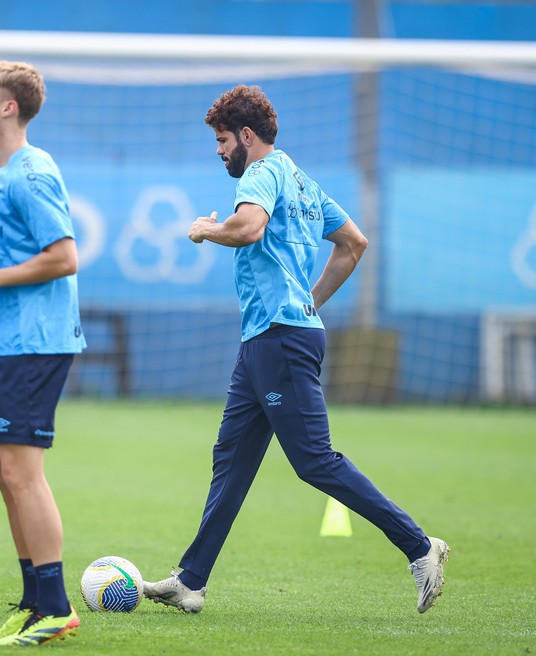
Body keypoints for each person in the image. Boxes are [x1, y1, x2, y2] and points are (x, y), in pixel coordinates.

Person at [142, 85, 450, 615]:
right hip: (269, 337)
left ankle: (420, 547)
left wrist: (206, 230)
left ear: (246, 136)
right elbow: (354, 243)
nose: (219, 151)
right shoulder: (300, 180)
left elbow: (247, 228)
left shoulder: (261, 174)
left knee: (314, 461)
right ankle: (190, 582)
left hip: (280, 340)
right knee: (231, 460)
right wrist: (311, 301)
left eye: (222, 140)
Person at [0, 60, 86, 646]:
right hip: (11, 341)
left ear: (9, 107)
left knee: (21, 472)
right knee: (2, 469)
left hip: (36, 341)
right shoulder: (5, 174)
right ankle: (35, 602)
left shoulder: (31, 172)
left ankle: (56, 608)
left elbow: (64, 257)